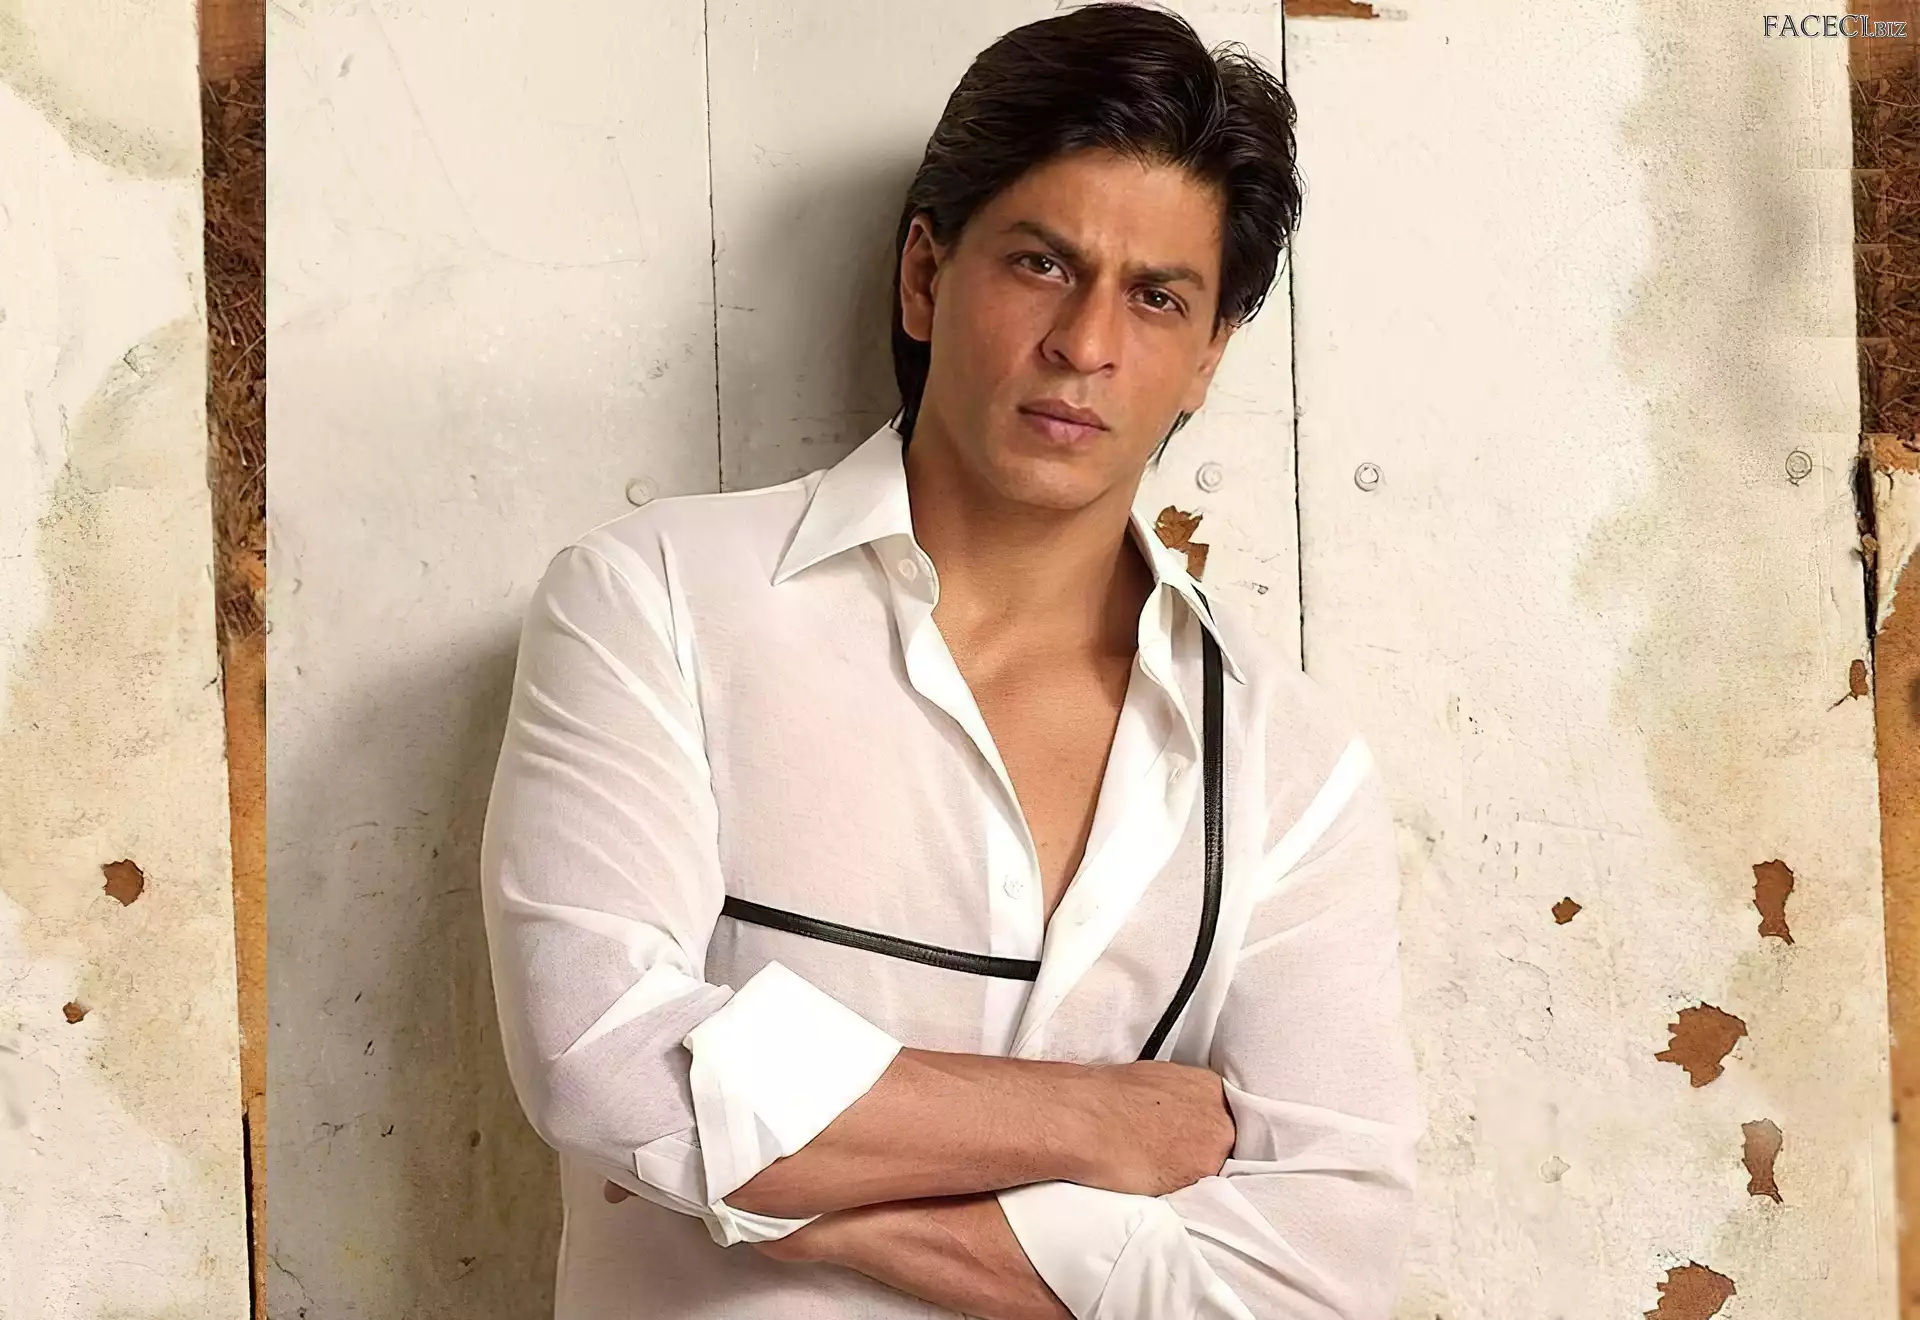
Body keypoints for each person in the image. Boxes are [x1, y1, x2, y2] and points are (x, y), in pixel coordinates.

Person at [479, 5, 1424, 1316]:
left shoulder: (1288, 762)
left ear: (1208, 356)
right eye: (1042, 264)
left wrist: (788, 1195)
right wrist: (1101, 1125)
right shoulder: (660, 603)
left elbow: (1323, 1276)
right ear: (925, 276)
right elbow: (601, 1060)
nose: (1086, 344)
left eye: (1157, 297)